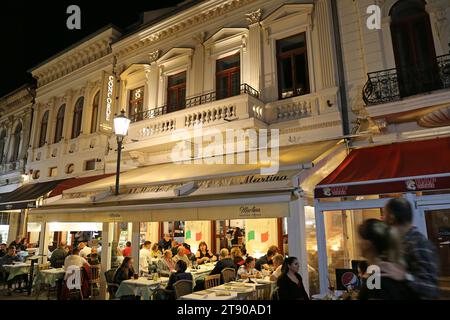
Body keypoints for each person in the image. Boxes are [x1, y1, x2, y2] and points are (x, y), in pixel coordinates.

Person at [382, 198, 440, 299]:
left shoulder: (419, 243)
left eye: (384, 214)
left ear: (391, 217)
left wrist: (405, 276)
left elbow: (431, 289)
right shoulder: (397, 243)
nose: (382, 218)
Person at [357, 219, 419, 300]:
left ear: (367, 244)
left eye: (360, 238)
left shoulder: (376, 278)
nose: (357, 243)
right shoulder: (392, 271)